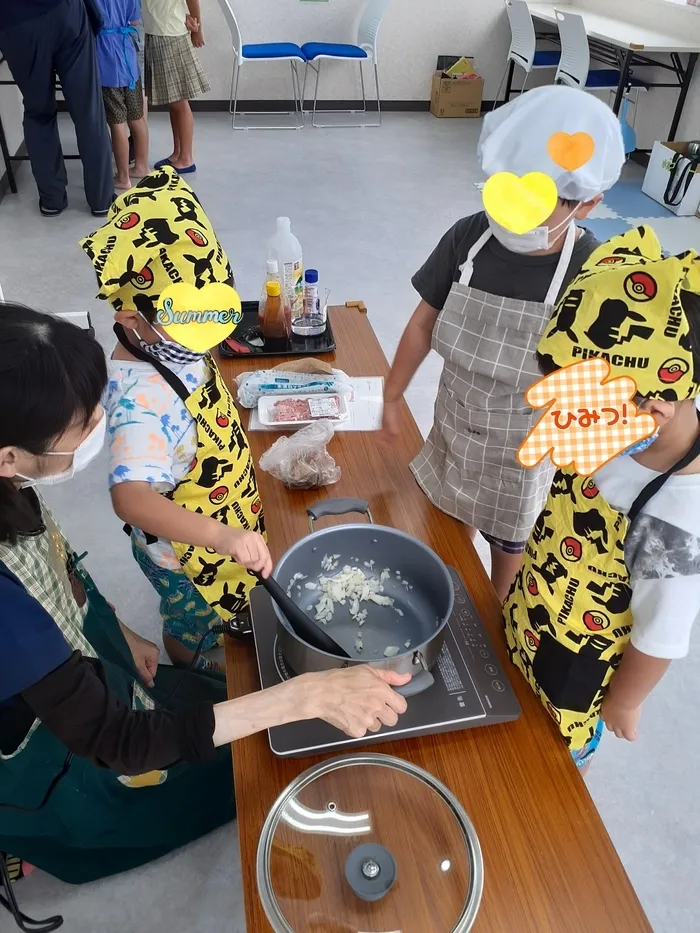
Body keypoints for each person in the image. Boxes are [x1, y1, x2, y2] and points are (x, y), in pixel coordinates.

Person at [0, 303, 410, 886]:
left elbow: (53, 562)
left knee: (208, 709)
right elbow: (115, 740)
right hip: (43, 737)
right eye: (83, 423)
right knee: (212, 776)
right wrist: (303, 697)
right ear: (9, 455)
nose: (101, 422)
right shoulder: (6, 608)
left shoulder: (9, 483)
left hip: (68, 657)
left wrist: (117, 630)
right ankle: (40, 842)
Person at [380, 86, 626, 601]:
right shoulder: (469, 238)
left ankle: (495, 619)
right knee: (448, 528)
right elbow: (423, 324)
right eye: (504, 192)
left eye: (535, 203)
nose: (515, 216)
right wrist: (392, 394)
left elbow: (599, 376)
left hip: (525, 447)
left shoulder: (591, 269)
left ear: (588, 204)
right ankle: (449, 592)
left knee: (508, 556)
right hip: (454, 419)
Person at [504, 225, 700, 771]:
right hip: (533, 613)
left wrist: (625, 702)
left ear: (656, 408)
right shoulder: (621, 427)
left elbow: (659, 637)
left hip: (575, 671)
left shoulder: (678, 522)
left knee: (544, 772)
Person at [80, 166, 270, 671]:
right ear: (128, 316)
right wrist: (224, 538)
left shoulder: (171, 338)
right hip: (186, 555)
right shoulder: (139, 400)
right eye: (186, 316)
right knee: (194, 621)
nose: (205, 331)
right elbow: (131, 497)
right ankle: (192, 665)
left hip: (218, 508)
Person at [0, 0, 114, 217]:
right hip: (65, 11)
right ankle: (101, 199)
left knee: (38, 112)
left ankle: (52, 199)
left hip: (15, 23)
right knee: (88, 110)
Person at [142, 0, 208, 174]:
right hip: (158, 31)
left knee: (179, 102)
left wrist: (198, 29)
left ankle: (186, 158)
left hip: (169, 35)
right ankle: (178, 153)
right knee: (173, 102)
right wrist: (183, 16)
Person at [95, 0, 150, 190]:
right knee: (137, 117)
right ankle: (142, 166)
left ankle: (123, 178)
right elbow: (134, 20)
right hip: (128, 56)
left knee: (117, 122)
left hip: (105, 57)